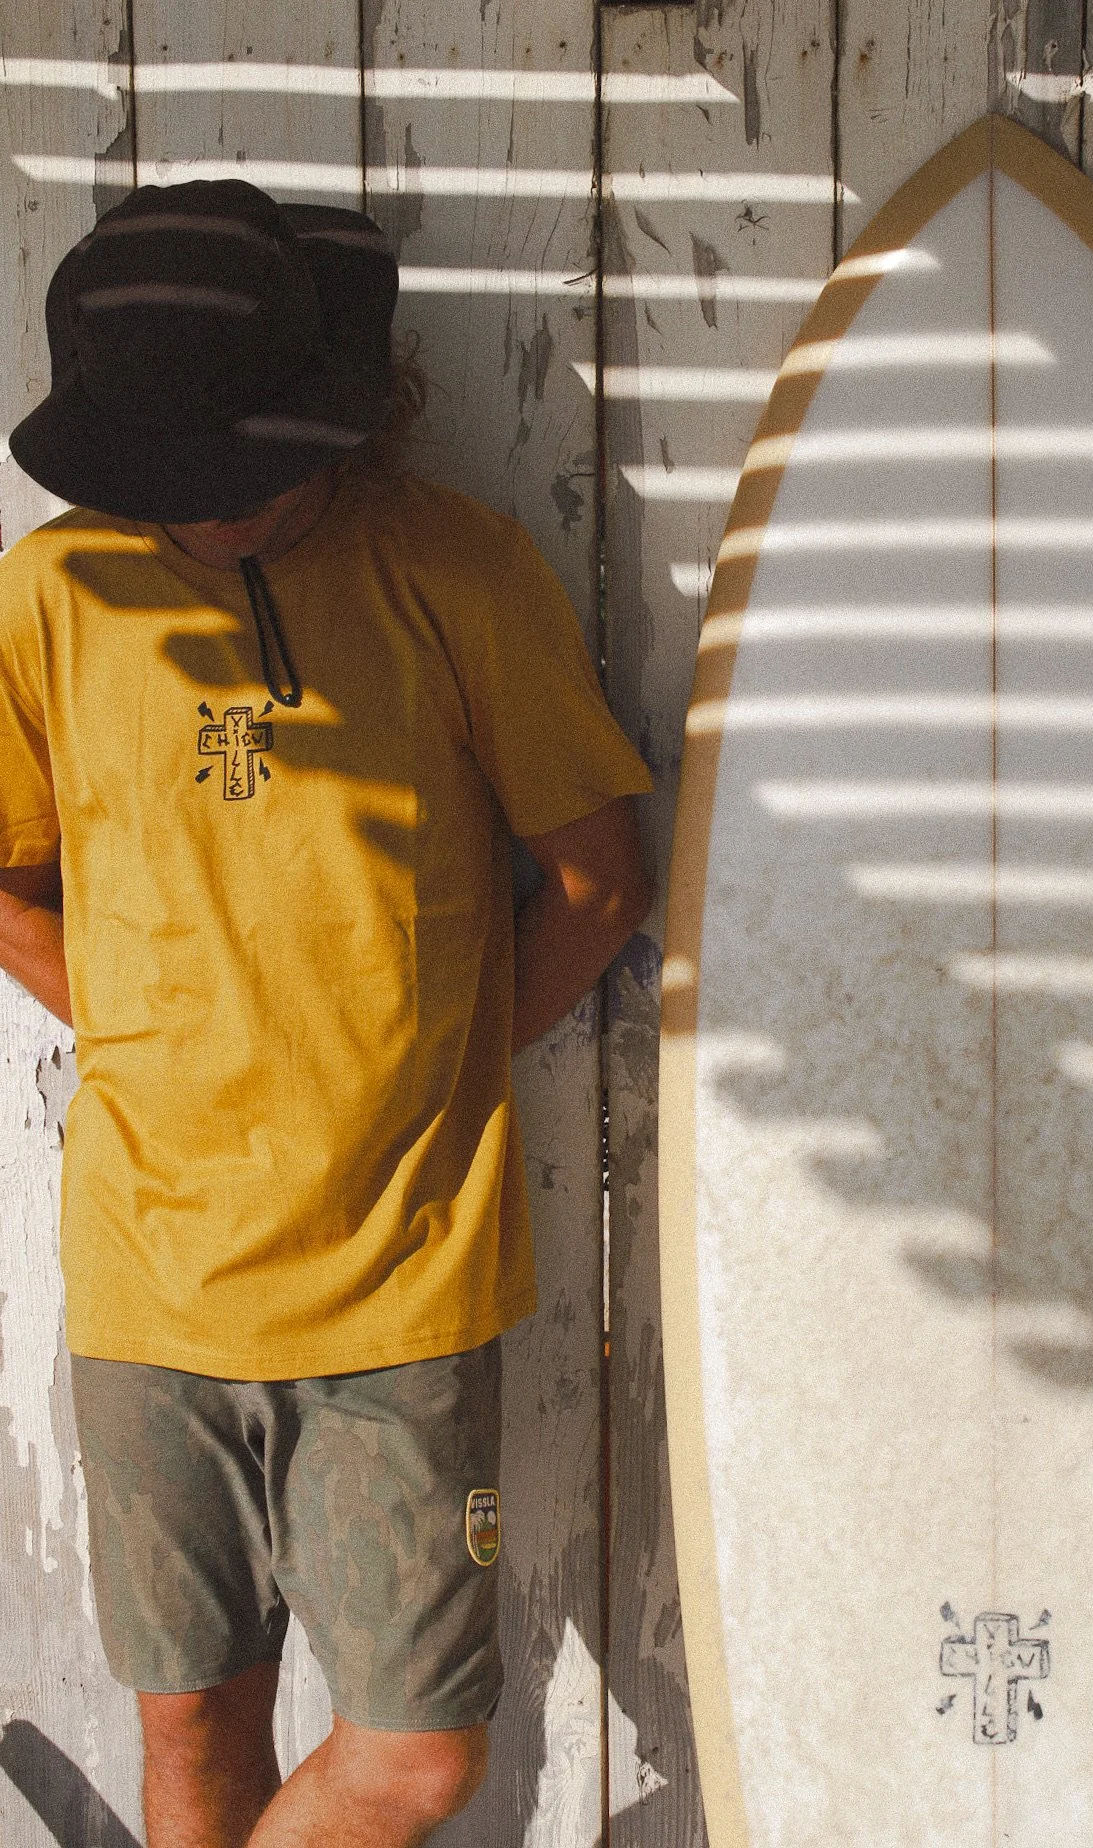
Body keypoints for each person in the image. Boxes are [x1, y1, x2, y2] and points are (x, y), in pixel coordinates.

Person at [0, 178, 652, 1847]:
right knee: (190, 1725)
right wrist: (147, 1038)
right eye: (170, 480)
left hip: (400, 1276)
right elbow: (6, 879)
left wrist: (422, 1066)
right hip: (151, 1271)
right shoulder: (56, 592)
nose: (207, 511)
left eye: (240, 469)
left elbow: (597, 878)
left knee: (418, 1755)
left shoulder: (457, 569)